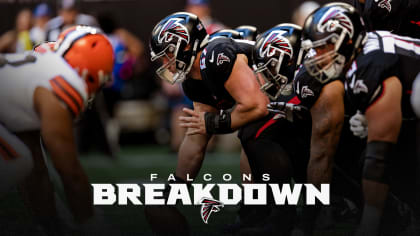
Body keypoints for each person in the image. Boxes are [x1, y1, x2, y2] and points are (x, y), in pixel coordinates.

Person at [300, 2, 420, 235]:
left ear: (344, 39)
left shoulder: (369, 63)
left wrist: (369, 224)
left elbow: (380, 152)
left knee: (381, 152)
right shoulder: (366, 51)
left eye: (323, 47)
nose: (318, 56)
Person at [146, 12, 268, 234]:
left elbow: (259, 106)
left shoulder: (215, 55)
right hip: (273, 103)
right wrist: (177, 187)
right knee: (249, 133)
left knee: (251, 134)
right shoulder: (193, 77)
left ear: (184, 45)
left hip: (295, 97)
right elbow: (196, 137)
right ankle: (256, 211)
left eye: (167, 55)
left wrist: (214, 123)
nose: (166, 64)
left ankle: (265, 213)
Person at [0, 25, 114, 233]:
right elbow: (70, 173)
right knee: (20, 160)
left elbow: (36, 171)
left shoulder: (39, 68)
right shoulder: (62, 81)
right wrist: (93, 225)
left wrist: (51, 225)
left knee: (27, 160)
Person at [236, 23, 311, 235]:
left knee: (257, 132)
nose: (266, 76)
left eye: (269, 67)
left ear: (287, 58)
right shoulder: (300, 74)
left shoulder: (308, 74)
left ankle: (289, 215)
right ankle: (274, 211)